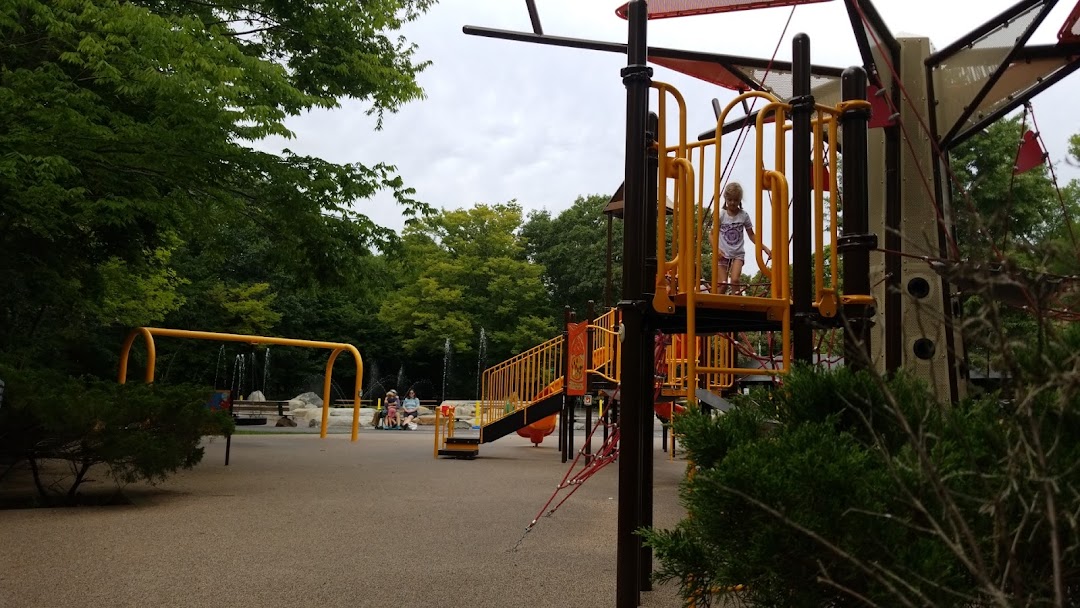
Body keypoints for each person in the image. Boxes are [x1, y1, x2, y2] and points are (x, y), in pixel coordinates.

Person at [717, 182, 770, 295]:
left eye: (735, 200)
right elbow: (712, 234)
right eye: (730, 199)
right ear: (725, 198)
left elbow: (751, 235)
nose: (732, 203)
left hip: (738, 254)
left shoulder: (743, 215)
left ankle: (738, 304)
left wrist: (764, 248)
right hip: (723, 253)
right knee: (723, 284)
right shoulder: (721, 215)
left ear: (740, 200)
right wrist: (716, 249)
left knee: (735, 280)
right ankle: (716, 306)